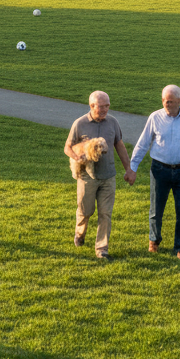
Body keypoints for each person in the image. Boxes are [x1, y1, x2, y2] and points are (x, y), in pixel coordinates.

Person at [126, 85, 180, 261]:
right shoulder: (155, 117)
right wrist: (133, 167)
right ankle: (154, 242)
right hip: (159, 170)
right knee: (156, 210)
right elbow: (142, 144)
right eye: (164, 101)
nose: (166, 104)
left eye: (170, 101)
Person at [64, 91, 132, 260]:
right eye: (101, 107)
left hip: (108, 176)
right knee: (85, 211)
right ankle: (80, 233)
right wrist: (76, 157)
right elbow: (68, 147)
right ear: (92, 106)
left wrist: (129, 169)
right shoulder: (79, 124)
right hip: (87, 177)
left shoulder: (113, 122)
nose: (105, 110)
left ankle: (102, 249)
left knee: (105, 214)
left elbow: (120, 146)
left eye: (107, 106)